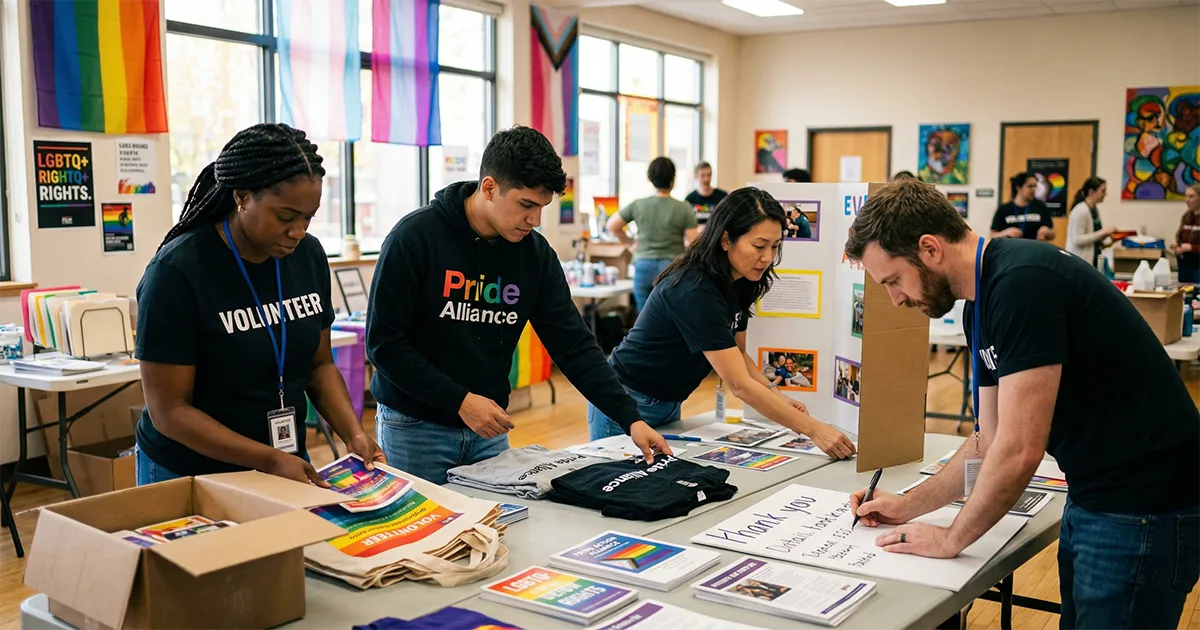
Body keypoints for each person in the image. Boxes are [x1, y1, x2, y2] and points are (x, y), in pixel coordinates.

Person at [843, 179, 1200, 629]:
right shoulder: (981, 302)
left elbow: (1019, 449)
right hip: (1099, 495)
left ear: (930, 249)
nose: (895, 299)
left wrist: (951, 538)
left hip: (1144, 506)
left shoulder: (1021, 284)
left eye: (893, 280)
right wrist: (908, 505)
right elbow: (988, 440)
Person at [366, 126, 671, 484]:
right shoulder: (415, 238)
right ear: (490, 187)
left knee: (495, 532)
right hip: (416, 427)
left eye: (543, 207)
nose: (535, 220)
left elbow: (573, 345)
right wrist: (460, 400)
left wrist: (630, 418)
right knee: (425, 537)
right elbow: (384, 344)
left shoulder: (535, 256)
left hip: (489, 429)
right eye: (526, 205)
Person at [134, 123, 384, 486]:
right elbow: (169, 412)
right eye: (285, 217)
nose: (298, 231)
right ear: (242, 196)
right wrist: (267, 459)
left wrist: (353, 432)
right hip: (191, 470)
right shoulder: (177, 272)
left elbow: (319, 364)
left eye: (308, 217)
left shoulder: (308, 255)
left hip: (280, 459)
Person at [587, 187, 857, 460]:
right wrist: (814, 430)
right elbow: (738, 385)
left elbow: (738, 352)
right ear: (726, 239)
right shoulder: (695, 290)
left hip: (667, 402)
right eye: (759, 246)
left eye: (775, 247)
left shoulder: (744, 279)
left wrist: (776, 393)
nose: (768, 258)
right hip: (626, 402)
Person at [608, 157, 699, 312]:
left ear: (650, 179)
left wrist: (630, 243)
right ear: (673, 180)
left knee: (645, 320)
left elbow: (612, 225)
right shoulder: (684, 208)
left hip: (643, 265)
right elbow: (694, 243)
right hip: (671, 268)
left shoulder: (638, 204)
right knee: (671, 319)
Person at [1065, 177, 1115, 267]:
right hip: (1080, 261)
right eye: (1103, 191)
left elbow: (1093, 237)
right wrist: (1102, 232)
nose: (1105, 194)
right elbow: (1077, 239)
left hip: (1092, 259)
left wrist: (1106, 237)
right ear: (1091, 192)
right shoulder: (1081, 210)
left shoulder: (1094, 210)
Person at [990, 172, 1055, 241]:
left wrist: (1046, 231)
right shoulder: (1004, 209)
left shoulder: (1041, 207)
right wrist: (1006, 233)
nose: (1034, 190)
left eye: (1035, 186)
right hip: (1012, 250)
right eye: (1030, 186)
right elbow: (992, 236)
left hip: (1035, 249)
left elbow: (1052, 234)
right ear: (1018, 188)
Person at [684, 161, 728, 227]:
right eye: (702, 176)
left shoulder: (722, 196)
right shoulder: (689, 199)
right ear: (696, 176)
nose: (706, 179)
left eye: (709, 175)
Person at [1174, 183, 1200, 282]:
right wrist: (1178, 247)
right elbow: (1179, 237)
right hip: (1186, 264)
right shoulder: (1187, 216)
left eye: (1191, 196)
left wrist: (1192, 247)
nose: (1187, 200)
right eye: (1186, 196)